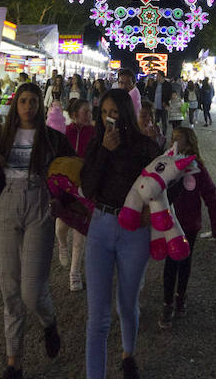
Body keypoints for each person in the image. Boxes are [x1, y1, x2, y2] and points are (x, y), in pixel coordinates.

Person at [0, 82, 74, 378]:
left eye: (33, 101)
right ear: (16, 104)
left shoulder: (53, 139)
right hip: (4, 206)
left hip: (40, 205)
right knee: (10, 289)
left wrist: (62, 199)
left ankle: (48, 323)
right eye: (23, 101)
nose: (28, 106)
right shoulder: (0, 135)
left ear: (40, 105)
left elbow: (74, 170)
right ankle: (14, 362)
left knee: (32, 290)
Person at [81, 88, 160, 379]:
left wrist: (150, 211)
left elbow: (164, 184)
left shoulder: (144, 146)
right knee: (97, 318)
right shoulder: (96, 144)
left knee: (127, 304)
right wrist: (103, 151)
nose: (108, 118)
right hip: (101, 225)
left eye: (113, 112)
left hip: (134, 232)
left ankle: (128, 355)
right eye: (103, 112)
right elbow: (88, 188)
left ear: (125, 112)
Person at [158, 127, 216, 329]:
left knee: (184, 262)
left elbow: (210, 195)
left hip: (189, 226)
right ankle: (167, 303)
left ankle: (180, 296)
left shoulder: (197, 168)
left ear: (189, 143)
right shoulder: (166, 165)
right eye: (173, 138)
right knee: (170, 264)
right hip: (170, 225)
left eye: (179, 139)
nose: (174, 142)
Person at [58, 98, 95, 291]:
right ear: (74, 115)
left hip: (85, 186)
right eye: (85, 112)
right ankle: (62, 243)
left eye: (90, 112)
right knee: (62, 225)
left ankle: (75, 272)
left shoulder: (94, 133)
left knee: (81, 232)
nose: (89, 115)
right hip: (66, 185)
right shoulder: (66, 132)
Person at [145, 71, 173, 137]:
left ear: (162, 76)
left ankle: (164, 135)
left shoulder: (167, 84)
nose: (156, 77)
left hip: (163, 106)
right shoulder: (154, 84)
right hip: (155, 106)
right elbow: (150, 92)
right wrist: (151, 101)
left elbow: (169, 95)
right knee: (155, 121)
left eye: (158, 76)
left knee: (164, 122)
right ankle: (156, 133)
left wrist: (166, 102)